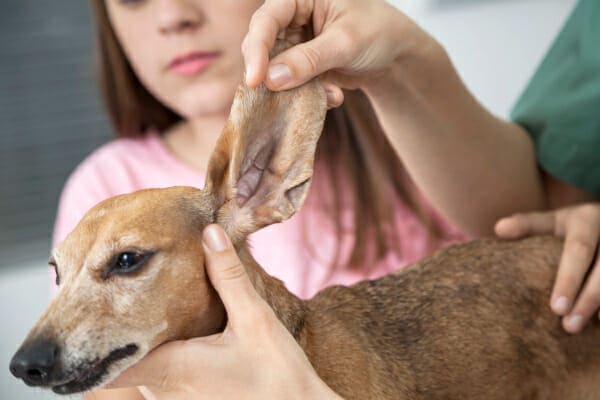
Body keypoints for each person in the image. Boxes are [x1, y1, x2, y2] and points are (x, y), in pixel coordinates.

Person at [52, 0, 599, 398]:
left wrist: (405, 62)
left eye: (126, 262)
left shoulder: (410, 142)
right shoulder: (100, 189)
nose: (172, 15)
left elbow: (528, 217)